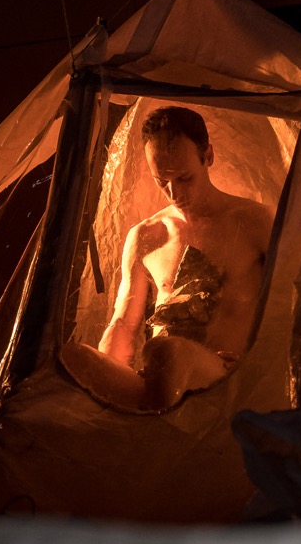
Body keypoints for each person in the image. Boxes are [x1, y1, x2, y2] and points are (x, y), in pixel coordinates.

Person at [60, 106, 274, 412]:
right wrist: (106, 371)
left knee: (166, 351)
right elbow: (123, 323)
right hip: (159, 380)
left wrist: (259, 364)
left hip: (222, 379)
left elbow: (288, 307)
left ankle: (148, 416)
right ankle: (139, 414)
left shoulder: (255, 221)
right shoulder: (147, 235)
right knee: (73, 357)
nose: (174, 193)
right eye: (162, 181)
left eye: (185, 178)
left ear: (208, 157)